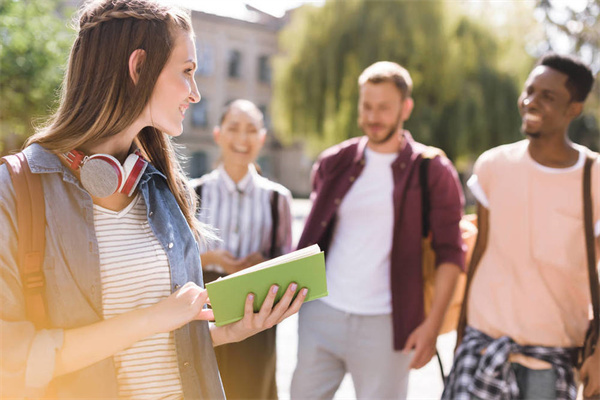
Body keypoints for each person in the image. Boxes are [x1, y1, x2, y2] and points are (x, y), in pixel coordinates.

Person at [0, 1, 306, 398]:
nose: (195, 93)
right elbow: (12, 359)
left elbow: (159, 345)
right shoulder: (16, 188)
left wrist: (222, 333)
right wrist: (152, 319)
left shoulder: (160, 186)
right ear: (139, 67)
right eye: (187, 72)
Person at [290, 61, 466, 399]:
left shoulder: (432, 170)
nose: (373, 116)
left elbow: (451, 254)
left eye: (384, 107)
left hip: (387, 325)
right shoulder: (333, 162)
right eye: (367, 106)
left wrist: (431, 327)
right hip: (321, 314)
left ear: (406, 108)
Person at [442, 53, 600, 400]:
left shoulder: (595, 177)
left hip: (553, 357)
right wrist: (461, 335)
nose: (531, 101)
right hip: (482, 348)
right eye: (529, 91)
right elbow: (480, 252)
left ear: (574, 108)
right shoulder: (493, 166)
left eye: (548, 96)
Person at [190, 99, 293, 399]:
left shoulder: (278, 199)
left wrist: (262, 265)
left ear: (262, 138)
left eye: (251, 130)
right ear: (218, 134)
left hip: (258, 315)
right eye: (234, 128)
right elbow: (173, 260)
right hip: (203, 311)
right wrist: (210, 258)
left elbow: (288, 262)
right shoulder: (193, 192)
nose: (242, 139)